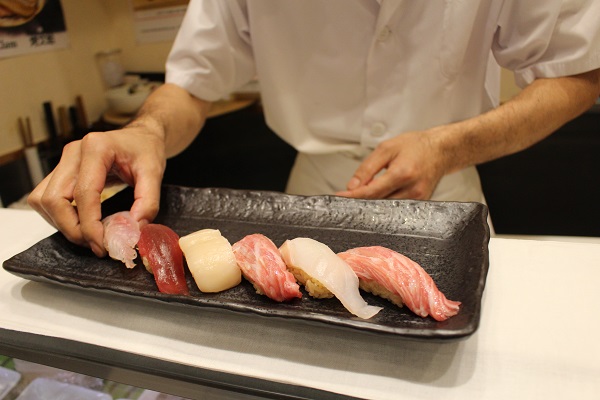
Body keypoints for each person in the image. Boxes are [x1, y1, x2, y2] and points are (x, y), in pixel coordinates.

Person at [29, 0, 600, 257]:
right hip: (313, 190)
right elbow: (193, 83)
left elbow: (579, 72)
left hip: (448, 185)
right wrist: (149, 129)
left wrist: (446, 146)